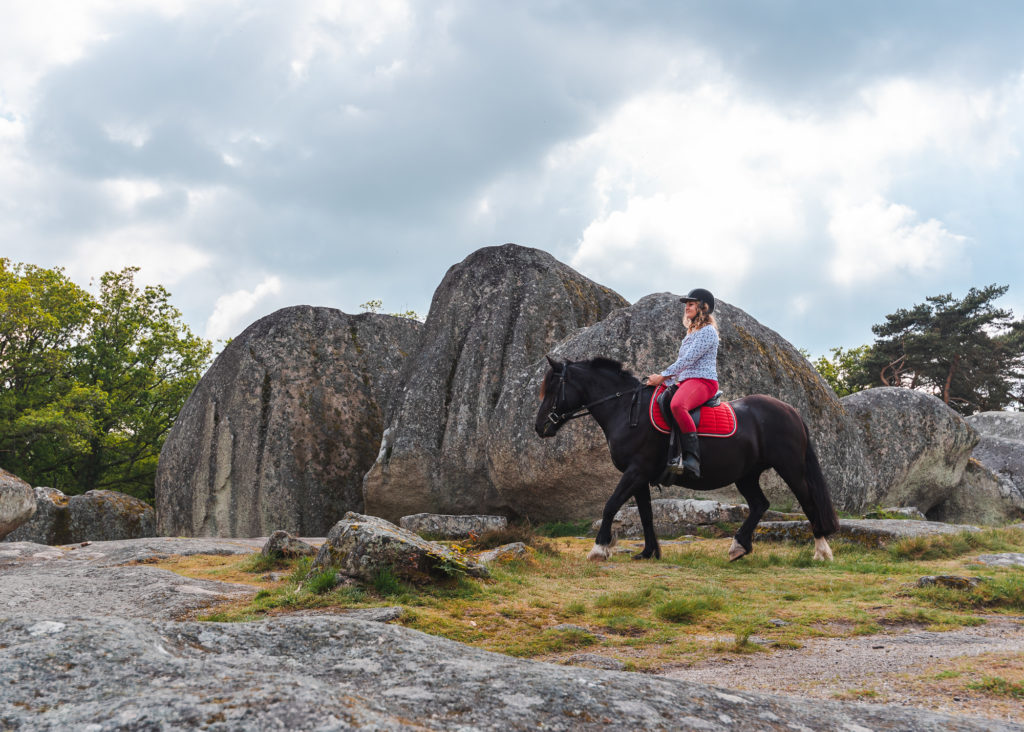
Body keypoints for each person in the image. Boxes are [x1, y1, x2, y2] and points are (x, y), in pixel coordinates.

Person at [645, 288, 719, 477]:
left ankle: (692, 458)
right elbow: (683, 366)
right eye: (687, 304)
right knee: (660, 398)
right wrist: (663, 381)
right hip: (686, 381)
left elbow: (687, 361)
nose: (687, 307)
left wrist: (662, 376)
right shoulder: (691, 332)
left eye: (691, 303)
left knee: (678, 405)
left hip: (703, 381)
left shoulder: (708, 332)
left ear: (703, 307)